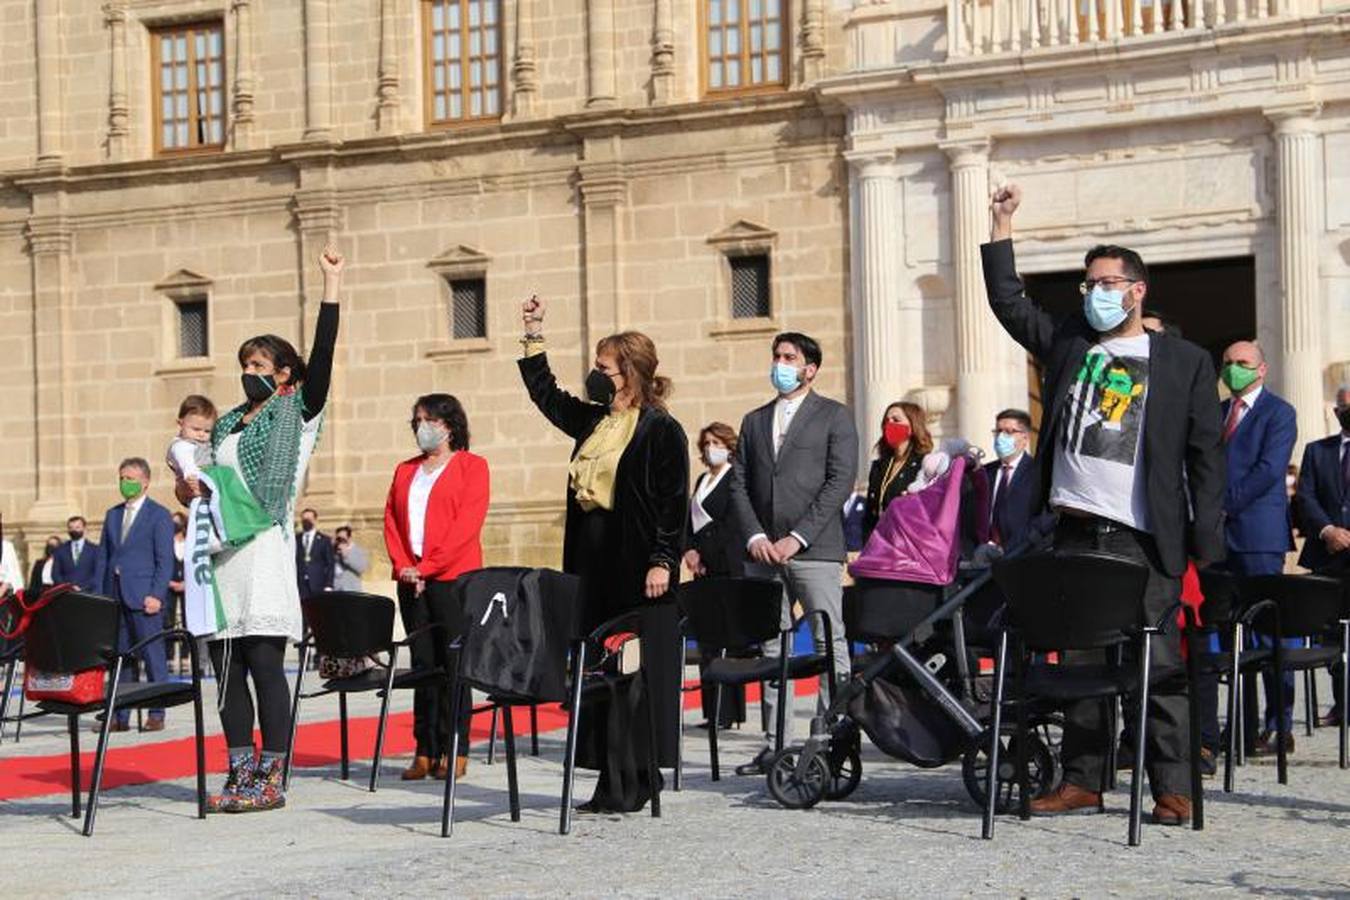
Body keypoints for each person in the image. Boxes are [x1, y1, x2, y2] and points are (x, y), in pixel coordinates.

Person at [983, 183, 1225, 827]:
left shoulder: (1184, 362)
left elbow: (1205, 456)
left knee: (1161, 665)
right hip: (1074, 531)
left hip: (1145, 538)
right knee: (1082, 659)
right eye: (1088, 284)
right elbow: (1008, 303)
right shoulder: (1068, 343)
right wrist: (1001, 225)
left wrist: (1209, 545)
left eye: (1106, 283)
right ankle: (1083, 780)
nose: (1094, 293)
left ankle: (1172, 786)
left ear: (1137, 290)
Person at [185, 244, 344, 813]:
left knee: (262, 662)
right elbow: (203, 476)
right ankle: (238, 772)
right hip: (220, 555)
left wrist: (331, 286)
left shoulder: (296, 412)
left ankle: (271, 777)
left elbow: (323, 358)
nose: (249, 374)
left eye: (260, 366)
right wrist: (188, 484)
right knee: (226, 669)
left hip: (262, 548)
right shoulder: (227, 421)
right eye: (244, 365)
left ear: (283, 374)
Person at [518, 295, 687, 814]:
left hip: (635, 565)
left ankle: (636, 779)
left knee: (632, 672)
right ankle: (611, 777)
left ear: (629, 373)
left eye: (603, 367)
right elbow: (547, 396)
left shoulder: (661, 429)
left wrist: (663, 560)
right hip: (590, 561)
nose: (595, 374)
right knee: (598, 672)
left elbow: (672, 501)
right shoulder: (594, 422)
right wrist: (533, 333)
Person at [727, 331, 859, 776]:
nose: (780, 363)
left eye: (789, 357)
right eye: (776, 356)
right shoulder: (754, 420)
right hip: (763, 552)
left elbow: (838, 482)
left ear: (810, 368)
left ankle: (829, 737)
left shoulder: (834, 416)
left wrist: (797, 537)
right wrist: (755, 537)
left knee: (829, 641)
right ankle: (775, 745)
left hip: (815, 549)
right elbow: (739, 483)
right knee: (772, 645)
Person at [383, 393, 490, 782]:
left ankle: (455, 748)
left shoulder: (472, 467)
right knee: (423, 666)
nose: (420, 428)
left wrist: (429, 566)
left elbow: (466, 526)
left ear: (448, 425)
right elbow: (391, 522)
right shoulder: (405, 470)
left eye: (426, 420)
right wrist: (404, 566)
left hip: (452, 581)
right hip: (412, 582)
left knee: (453, 666)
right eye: (415, 422)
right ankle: (424, 748)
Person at [1213, 340, 1298, 758]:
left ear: (1261, 369)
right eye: (1228, 363)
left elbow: (1269, 469)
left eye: (1242, 363)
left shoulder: (1279, 413)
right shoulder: (1216, 413)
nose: (1234, 370)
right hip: (1217, 539)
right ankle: (1240, 727)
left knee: (1268, 633)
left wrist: (1223, 505)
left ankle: (1279, 726)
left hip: (1258, 536)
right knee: (1229, 635)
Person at [97, 458, 177, 733]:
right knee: (122, 658)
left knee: (153, 656)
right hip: (116, 598)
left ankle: (157, 713)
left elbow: (164, 560)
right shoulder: (113, 514)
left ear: (145, 481)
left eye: (130, 477)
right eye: (121, 477)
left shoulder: (159, 515)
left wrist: (157, 594)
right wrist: (100, 597)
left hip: (144, 599)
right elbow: (103, 558)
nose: (124, 483)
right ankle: (120, 715)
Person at [684, 422, 746, 730]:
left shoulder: (735, 478)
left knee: (727, 640)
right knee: (707, 641)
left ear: (729, 446)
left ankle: (729, 712)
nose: (711, 447)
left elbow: (732, 523)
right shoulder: (702, 479)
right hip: (703, 570)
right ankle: (712, 710)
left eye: (717, 442)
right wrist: (690, 551)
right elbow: (689, 522)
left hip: (726, 565)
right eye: (707, 442)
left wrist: (705, 554)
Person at [1296, 385, 1350, 726]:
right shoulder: (1318, 451)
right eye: (1345, 404)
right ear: (1336, 410)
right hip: (1328, 554)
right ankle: (1342, 704)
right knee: (1332, 634)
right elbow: (1306, 495)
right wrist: (1329, 530)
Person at [862, 402, 930, 541]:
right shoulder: (879, 467)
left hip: (907, 544)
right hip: (879, 544)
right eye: (887, 421)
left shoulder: (924, 464)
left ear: (912, 427)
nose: (890, 424)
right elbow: (870, 515)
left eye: (896, 420)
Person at [981, 409, 1046, 550]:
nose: (1001, 437)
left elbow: (1044, 518)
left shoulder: (1038, 473)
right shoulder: (985, 473)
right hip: (985, 556)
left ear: (1025, 438)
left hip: (1023, 556)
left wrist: (1019, 546)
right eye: (998, 431)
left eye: (1009, 432)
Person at [51, 515, 102, 593]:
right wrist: (67, 587)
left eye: (77, 527)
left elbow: (98, 574)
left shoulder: (95, 550)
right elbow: (55, 574)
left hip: (88, 594)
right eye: (71, 528)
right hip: (66, 594)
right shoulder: (60, 550)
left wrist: (83, 588)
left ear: (84, 528)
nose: (74, 530)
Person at [295, 508, 335, 599]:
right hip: (300, 584)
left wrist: (329, 585)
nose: (306, 522)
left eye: (309, 519)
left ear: (315, 520)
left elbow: (330, 564)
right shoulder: (296, 539)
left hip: (318, 584)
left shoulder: (324, 540)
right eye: (304, 519)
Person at [332, 525, 369, 593]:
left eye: (343, 539)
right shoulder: (333, 551)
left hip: (352, 590)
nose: (341, 541)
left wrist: (346, 556)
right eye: (338, 538)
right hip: (336, 591)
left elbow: (361, 568)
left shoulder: (359, 551)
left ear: (349, 538)